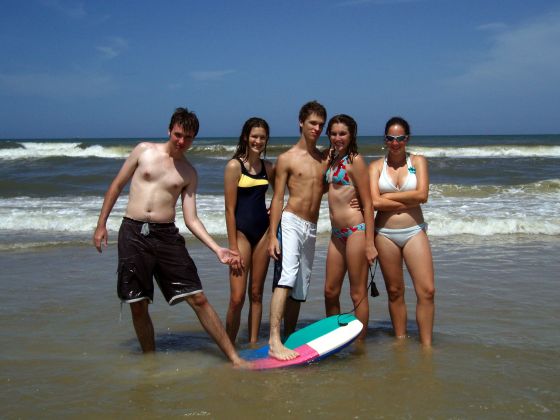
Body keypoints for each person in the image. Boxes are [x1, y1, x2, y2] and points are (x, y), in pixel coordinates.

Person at [92, 107, 249, 367]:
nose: (181, 142)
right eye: (178, 135)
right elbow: (117, 185)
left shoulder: (188, 173)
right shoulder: (144, 151)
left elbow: (191, 219)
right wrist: (101, 224)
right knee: (138, 303)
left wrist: (217, 249)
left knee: (198, 297)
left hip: (166, 236)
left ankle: (233, 357)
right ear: (169, 130)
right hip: (133, 231)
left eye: (188, 138)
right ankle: (149, 361)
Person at [267, 100, 328, 360]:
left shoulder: (324, 158)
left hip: (311, 226)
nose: (317, 128)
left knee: (301, 284)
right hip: (291, 220)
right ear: (301, 122)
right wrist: (272, 235)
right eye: (313, 123)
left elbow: (328, 185)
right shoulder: (287, 159)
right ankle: (273, 340)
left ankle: (289, 336)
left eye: (321, 124)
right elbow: (278, 198)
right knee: (287, 276)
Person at [368, 116, 435, 347]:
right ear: (385, 139)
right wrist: (407, 201)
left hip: (414, 231)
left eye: (400, 138)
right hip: (385, 233)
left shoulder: (418, 161)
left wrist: (387, 197)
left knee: (426, 290)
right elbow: (374, 203)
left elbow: (423, 195)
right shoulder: (376, 166)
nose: (395, 142)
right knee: (395, 291)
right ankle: (400, 343)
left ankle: (426, 346)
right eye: (390, 138)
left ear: (407, 138)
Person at [323, 114, 377, 341]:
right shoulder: (333, 159)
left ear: (351, 134)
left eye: (342, 133)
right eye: (334, 133)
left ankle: (360, 345)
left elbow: (368, 203)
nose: (338, 137)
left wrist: (370, 243)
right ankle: (335, 337)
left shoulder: (355, 161)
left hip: (356, 231)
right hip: (337, 234)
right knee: (330, 291)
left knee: (357, 293)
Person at [223, 117, 275, 344]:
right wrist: (233, 247)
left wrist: (275, 209)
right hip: (242, 235)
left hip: (263, 234)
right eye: (254, 136)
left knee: (256, 294)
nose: (258, 141)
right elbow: (229, 210)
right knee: (236, 298)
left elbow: (284, 193)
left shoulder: (268, 167)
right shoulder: (235, 166)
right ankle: (229, 345)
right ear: (246, 137)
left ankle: (253, 343)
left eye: (262, 137)